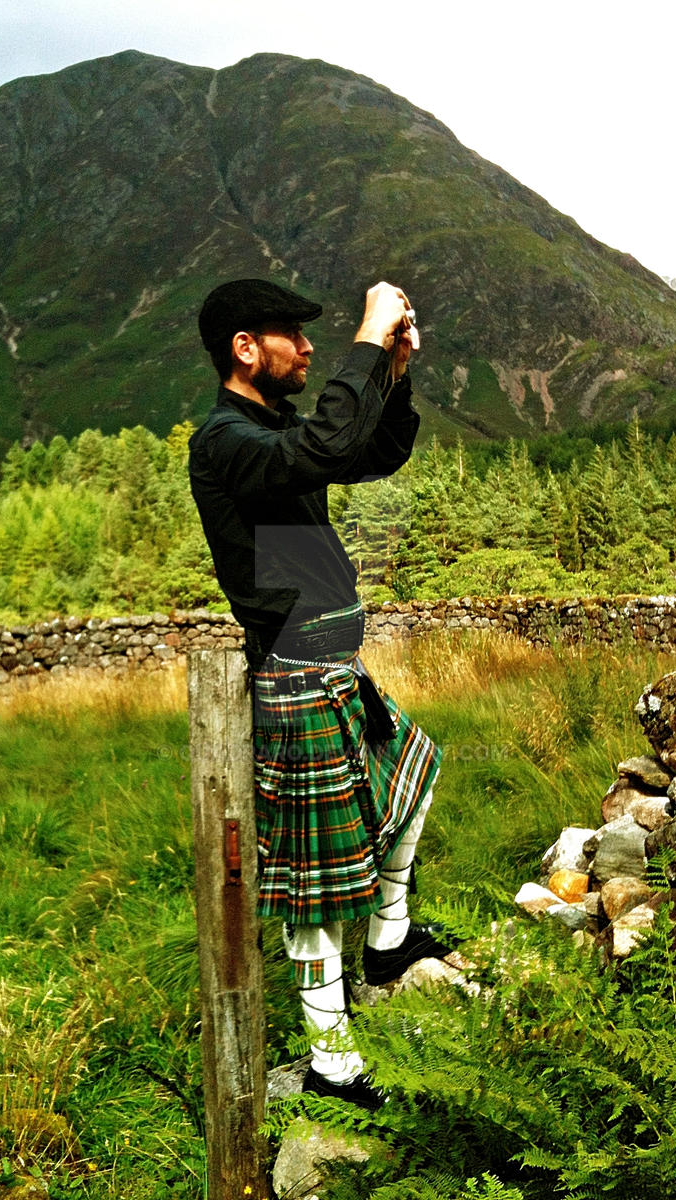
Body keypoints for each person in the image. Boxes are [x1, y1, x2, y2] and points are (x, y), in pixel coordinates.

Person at [188, 277, 456, 1109]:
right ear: (244, 347)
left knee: (416, 775)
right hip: (295, 678)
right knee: (315, 882)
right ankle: (331, 1062)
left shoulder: (273, 430)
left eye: (316, 339)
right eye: (291, 335)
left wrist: (397, 376)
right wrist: (368, 336)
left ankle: (390, 941)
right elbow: (330, 450)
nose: (307, 348)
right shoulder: (224, 441)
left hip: (333, 669)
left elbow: (367, 451)